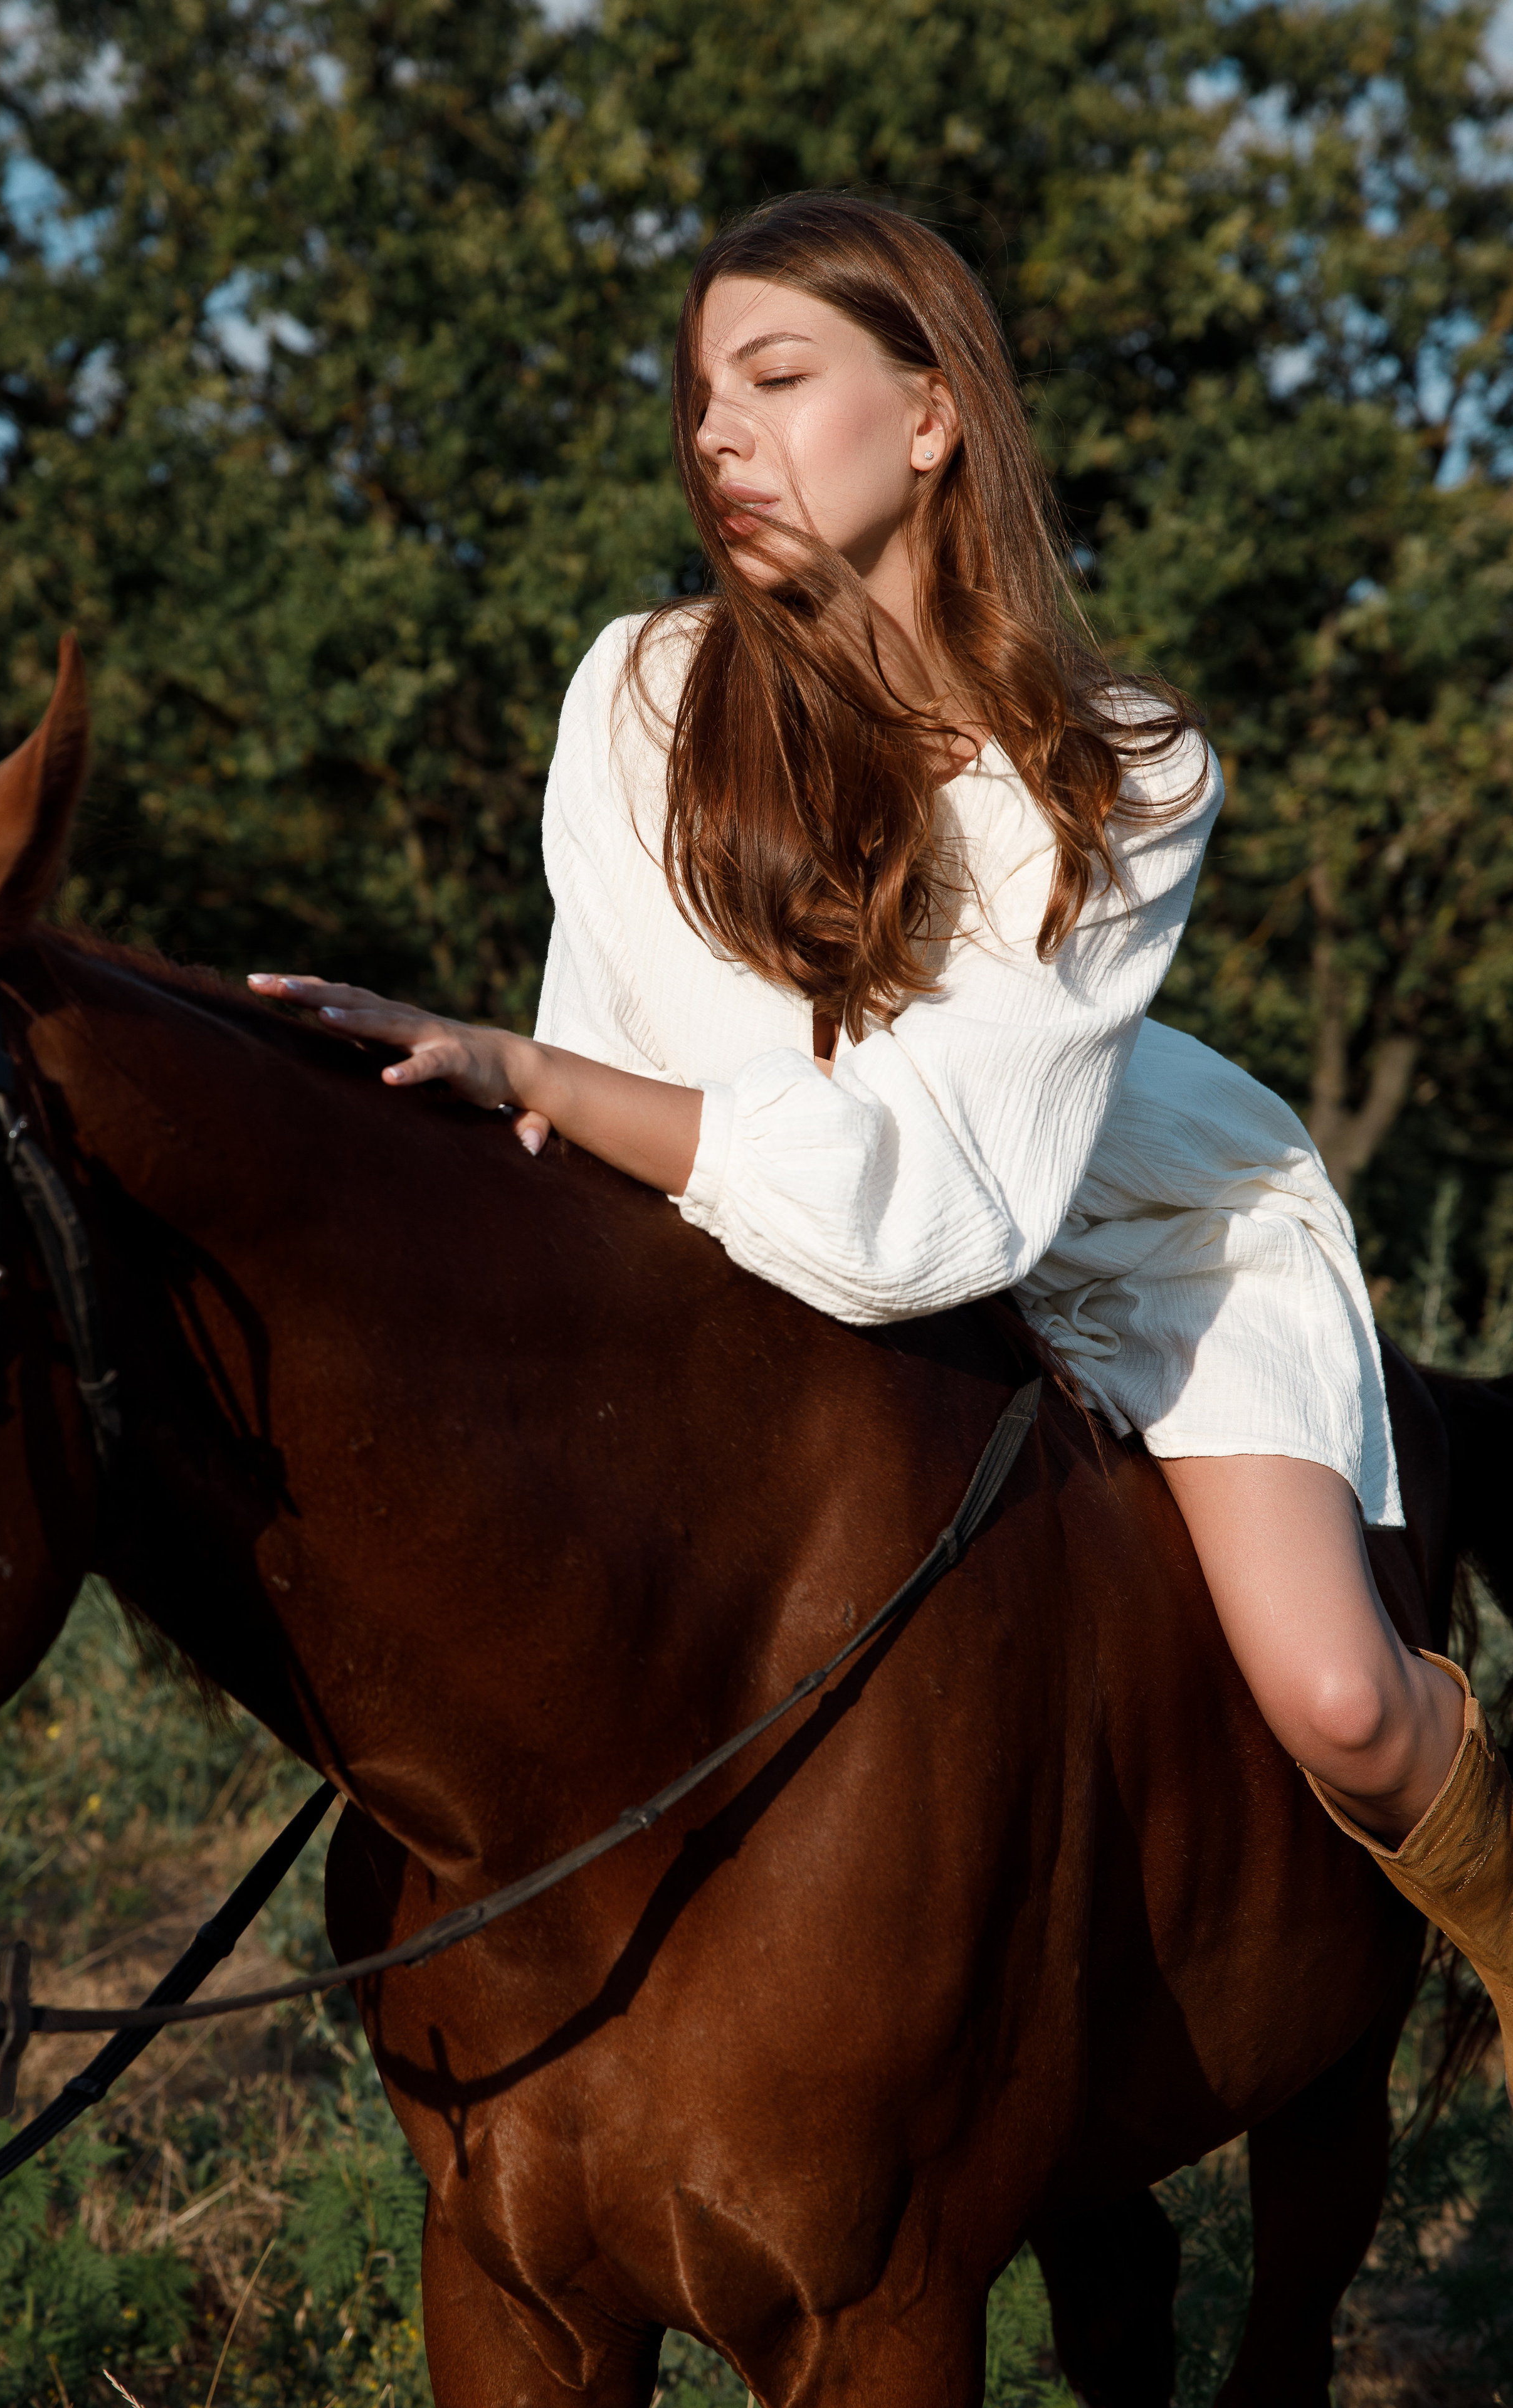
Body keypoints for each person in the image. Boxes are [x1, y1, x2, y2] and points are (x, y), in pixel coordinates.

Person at [251, 192, 1512, 2066]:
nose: (716, 436)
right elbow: (662, 1070)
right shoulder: (641, 696)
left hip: (1132, 1226)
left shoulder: (1126, 765)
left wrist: (528, 1074)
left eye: (774, 376)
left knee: (1337, 1696)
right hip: (747, 1218)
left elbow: (931, 1209)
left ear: (932, 415)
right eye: (698, 396)